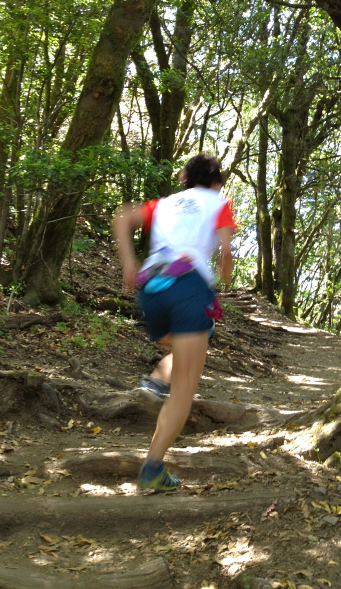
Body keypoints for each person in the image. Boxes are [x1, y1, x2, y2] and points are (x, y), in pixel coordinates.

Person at [113, 153, 235, 492]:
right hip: (188, 287)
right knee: (186, 386)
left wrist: (128, 262)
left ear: (186, 178)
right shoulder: (219, 202)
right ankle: (152, 468)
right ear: (215, 182)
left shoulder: (165, 203)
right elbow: (225, 253)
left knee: (189, 340)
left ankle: (156, 380)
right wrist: (224, 275)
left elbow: (123, 217)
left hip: (152, 288)